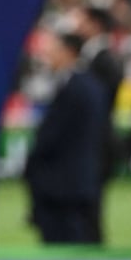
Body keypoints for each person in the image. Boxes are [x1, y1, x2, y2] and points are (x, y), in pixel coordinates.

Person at [23, 31, 108, 244]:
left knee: (64, 250)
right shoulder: (88, 86)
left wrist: (33, 164)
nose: (48, 55)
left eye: (53, 50)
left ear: (68, 52)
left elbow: (54, 137)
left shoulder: (76, 88)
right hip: (74, 182)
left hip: (62, 187)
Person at [74, 4, 125, 242]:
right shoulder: (97, 56)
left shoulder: (105, 60)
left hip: (96, 141)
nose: (77, 25)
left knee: (91, 201)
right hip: (94, 140)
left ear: (95, 24)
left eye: (82, 20)